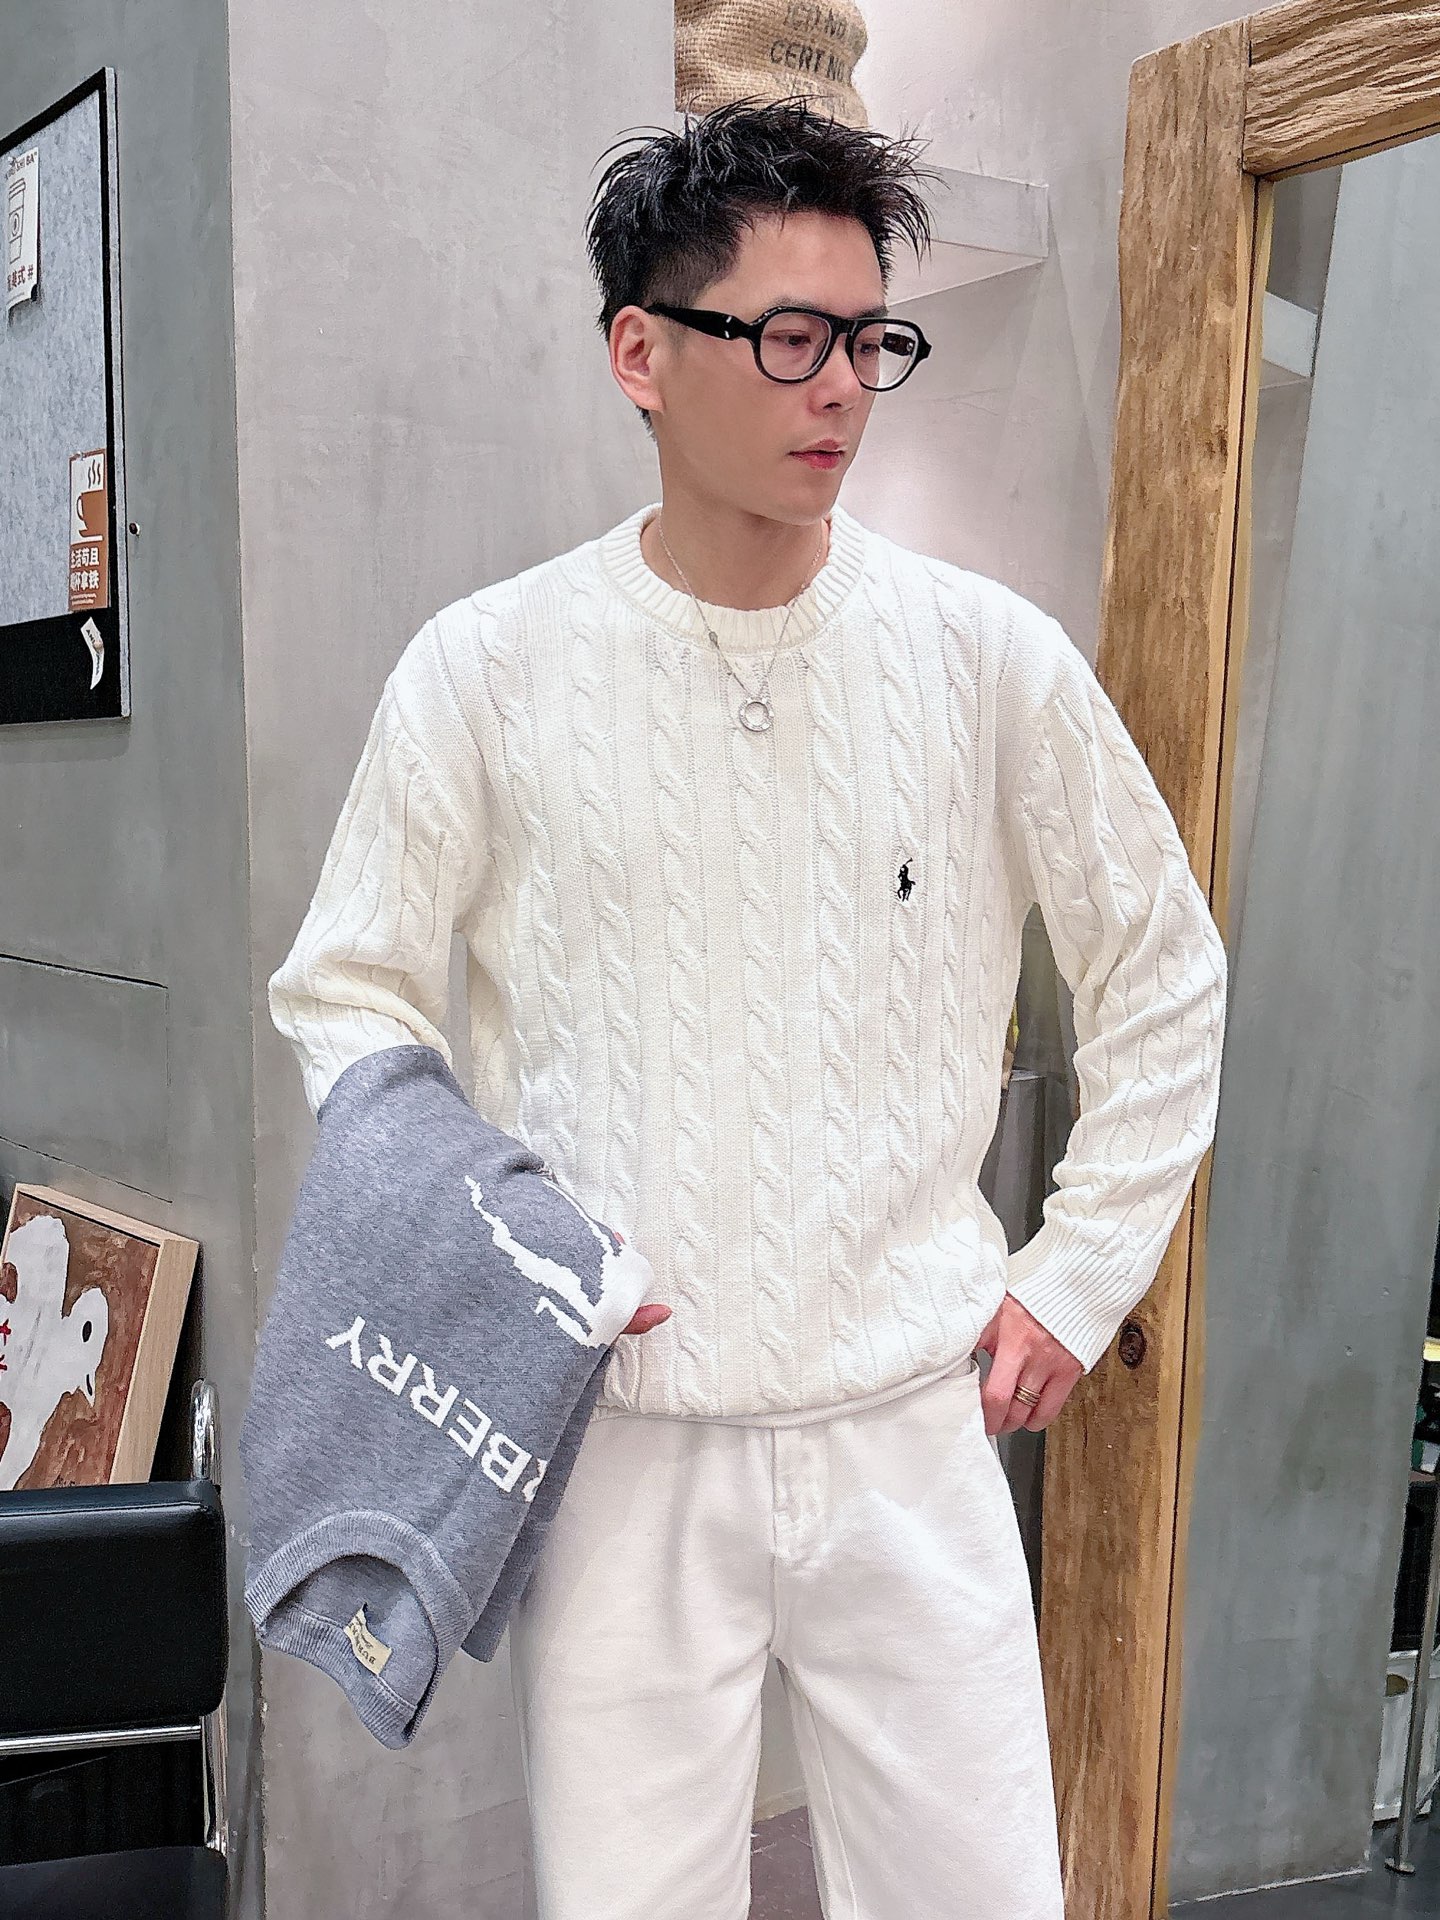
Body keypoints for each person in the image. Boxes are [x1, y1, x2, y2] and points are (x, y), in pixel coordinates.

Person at [267, 93, 1229, 1920]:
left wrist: (1080, 1272)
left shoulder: (986, 660)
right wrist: (516, 1244)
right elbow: (347, 992)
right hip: (622, 1432)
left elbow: (1165, 971)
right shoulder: (489, 671)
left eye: (872, 340)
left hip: (912, 1420)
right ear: (642, 352)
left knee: (980, 1896)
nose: (843, 387)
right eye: (791, 337)